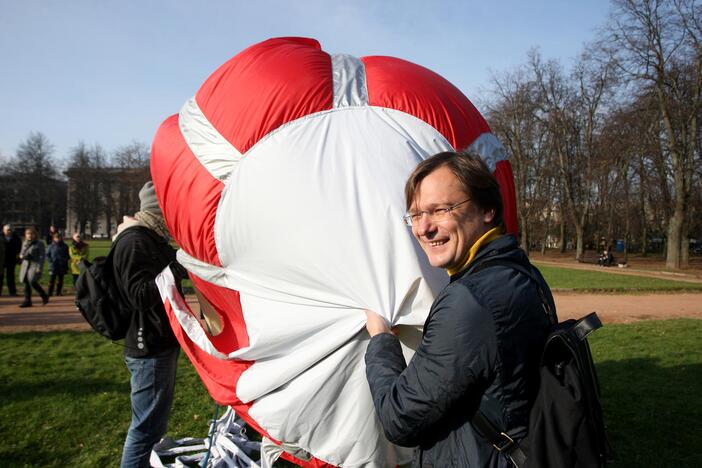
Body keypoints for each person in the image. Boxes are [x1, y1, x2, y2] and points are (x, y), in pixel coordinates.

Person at [364, 151, 554, 467]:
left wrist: (381, 339)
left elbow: (399, 419)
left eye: (441, 210)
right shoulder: (519, 272)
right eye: (415, 215)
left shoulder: (470, 301)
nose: (423, 228)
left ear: (487, 209)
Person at [115, 181, 185, 468]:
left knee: (152, 427)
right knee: (145, 430)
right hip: (149, 348)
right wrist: (178, 267)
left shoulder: (152, 238)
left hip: (158, 342)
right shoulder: (135, 241)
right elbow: (139, 295)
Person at [18, 226, 49, 308]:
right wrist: (22, 255)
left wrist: (39, 267)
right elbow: (21, 252)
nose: (30, 235)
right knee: (25, 282)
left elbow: (42, 256)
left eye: (31, 234)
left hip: (34, 265)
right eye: (28, 234)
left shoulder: (40, 243)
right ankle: (27, 301)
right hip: (25, 264)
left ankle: (44, 295)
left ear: (35, 234)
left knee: (32, 281)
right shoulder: (24, 243)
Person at [2, 224, 22, 296]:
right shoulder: (1, 237)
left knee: (11, 276)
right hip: (1, 260)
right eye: (7, 230)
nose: (9, 231)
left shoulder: (16, 238)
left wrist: (19, 258)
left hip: (11, 259)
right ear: (3, 230)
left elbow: (20, 249)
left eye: (10, 230)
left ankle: (12, 292)